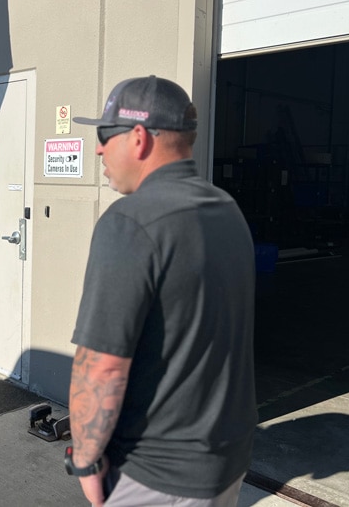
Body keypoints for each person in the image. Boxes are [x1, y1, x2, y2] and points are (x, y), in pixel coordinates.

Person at [66, 76, 257, 507]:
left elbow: (102, 368)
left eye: (103, 135)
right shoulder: (227, 209)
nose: (98, 149)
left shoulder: (130, 222)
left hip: (158, 473)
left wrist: (86, 460)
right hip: (225, 460)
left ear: (138, 138)